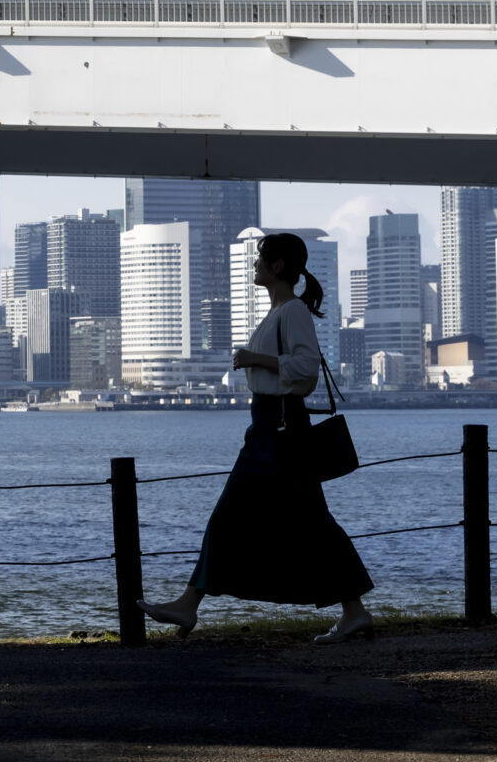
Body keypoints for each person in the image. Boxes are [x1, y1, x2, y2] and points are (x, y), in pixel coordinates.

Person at [138, 230, 375, 642]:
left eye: (260, 258)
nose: (254, 265)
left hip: (281, 432)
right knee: (306, 522)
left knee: (241, 517)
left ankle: (188, 605)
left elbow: (306, 370)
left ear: (278, 266)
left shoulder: (293, 312)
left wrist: (253, 358)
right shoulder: (278, 312)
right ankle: (353, 611)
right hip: (269, 430)